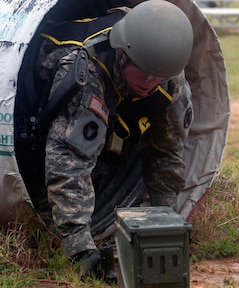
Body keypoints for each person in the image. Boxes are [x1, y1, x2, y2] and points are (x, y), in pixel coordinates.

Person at [31, 0, 194, 279]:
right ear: (124, 54)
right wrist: (81, 249)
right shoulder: (87, 70)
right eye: (143, 72)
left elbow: (168, 153)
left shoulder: (167, 73)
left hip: (114, 106)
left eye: (159, 76)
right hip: (38, 118)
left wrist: (165, 226)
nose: (150, 81)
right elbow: (68, 162)